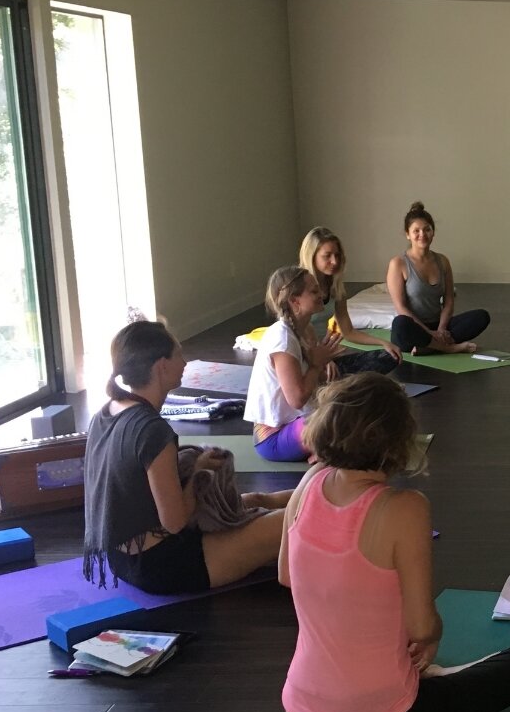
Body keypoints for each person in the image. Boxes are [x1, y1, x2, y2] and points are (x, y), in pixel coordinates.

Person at [278, 372, 510, 712]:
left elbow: (286, 576)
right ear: (399, 440)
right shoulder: (404, 507)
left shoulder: (310, 481)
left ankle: (436, 681)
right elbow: (421, 628)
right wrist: (431, 641)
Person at [83, 320, 289, 593]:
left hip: (121, 559)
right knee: (291, 521)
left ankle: (324, 491)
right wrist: (197, 472)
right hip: (162, 564)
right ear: (161, 366)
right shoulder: (152, 431)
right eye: (179, 354)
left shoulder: (106, 412)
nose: (185, 362)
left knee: (258, 500)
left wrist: (198, 462)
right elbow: (175, 521)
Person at [246, 266, 343, 461]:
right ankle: (323, 452)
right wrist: (317, 364)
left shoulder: (305, 330)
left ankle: (325, 449)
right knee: (340, 418)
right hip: (274, 438)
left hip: (299, 423)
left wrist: (324, 366)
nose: (321, 294)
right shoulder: (282, 338)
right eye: (314, 291)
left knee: (353, 403)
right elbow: (297, 399)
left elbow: (313, 383)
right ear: (294, 300)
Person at [385, 201, 490, 354]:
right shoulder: (398, 263)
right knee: (400, 324)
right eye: (416, 231)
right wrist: (428, 332)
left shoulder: (442, 261)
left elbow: (449, 301)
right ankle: (448, 348)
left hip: (438, 325)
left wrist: (441, 329)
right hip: (414, 327)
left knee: (481, 316)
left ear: (433, 232)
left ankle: (429, 348)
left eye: (427, 229)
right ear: (408, 234)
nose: (422, 235)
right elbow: (401, 308)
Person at [299, 226, 402, 375]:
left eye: (337, 255)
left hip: (327, 358)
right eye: (327, 256)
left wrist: (384, 343)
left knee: (389, 356)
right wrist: (323, 360)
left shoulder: (335, 287)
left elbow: (348, 331)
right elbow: (299, 337)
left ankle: (342, 381)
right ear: (312, 256)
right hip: (305, 360)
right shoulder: (299, 288)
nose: (334, 261)